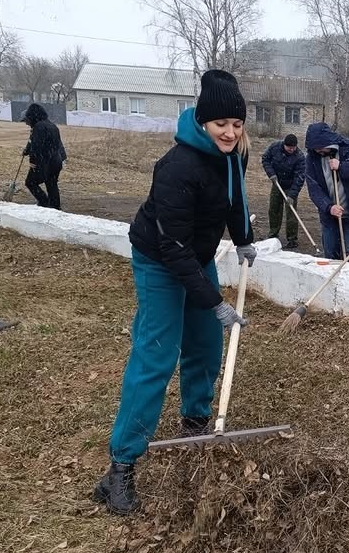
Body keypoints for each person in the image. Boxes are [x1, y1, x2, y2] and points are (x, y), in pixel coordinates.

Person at [93, 70, 257, 515]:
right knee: (157, 355)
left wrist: (243, 238)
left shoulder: (235, 154)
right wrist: (214, 301)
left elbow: (237, 199)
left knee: (205, 344)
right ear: (202, 121)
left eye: (237, 123)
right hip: (160, 259)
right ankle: (120, 466)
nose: (230, 132)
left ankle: (195, 424)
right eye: (221, 123)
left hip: (195, 255)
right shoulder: (176, 167)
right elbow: (173, 248)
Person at [304, 122, 349, 263]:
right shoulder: (312, 158)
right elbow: (314, 188)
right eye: (315, 148)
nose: (318, 151)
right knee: (330, 257)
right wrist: (329, 207)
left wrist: (342, 166)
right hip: (329, 217)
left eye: (320, 148)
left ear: (327, 141)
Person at [261, 133, 305, 249]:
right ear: (284, 145)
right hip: (277, 183)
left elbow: (300, 178)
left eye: (293, 147)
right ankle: (273, 234)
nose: (291, 149)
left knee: (291, 212)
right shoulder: (275, 147)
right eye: (289, 147)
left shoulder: (300, 157)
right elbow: (265, 159)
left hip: (291, 185)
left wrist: (292, 195)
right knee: (274, 209)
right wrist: (271, 174)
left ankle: (292, 239)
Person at [20, 103, 67, 210]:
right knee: (51, 184)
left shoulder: (39, 127)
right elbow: (56, 144)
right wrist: (27, 151)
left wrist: (33, 161)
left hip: (44, 161)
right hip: (56, 161)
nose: (26, 123)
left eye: (27, 120)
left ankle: (44, 202)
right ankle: (55, 207)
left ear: (32, 116)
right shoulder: (52, 125)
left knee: (30, 182)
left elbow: (37, 145)